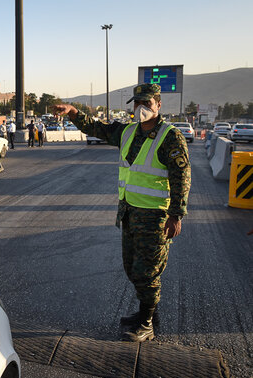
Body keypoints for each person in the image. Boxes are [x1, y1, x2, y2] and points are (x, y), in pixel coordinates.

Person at [52, 83, 191, 342]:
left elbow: (181, 175)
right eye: (138, 104)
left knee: (147, 272)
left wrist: (176, 214)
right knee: (132, 269)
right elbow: (98, 129)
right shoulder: (127, 132)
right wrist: (72, 112)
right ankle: (146, 313)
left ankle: (147, 323)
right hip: (129, 212)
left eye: (147, 104)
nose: (142, 109)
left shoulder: (170, 136)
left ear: (158, 106)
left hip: (155, 216)